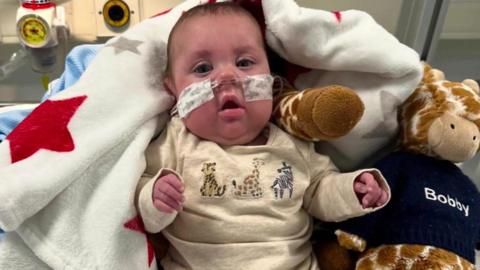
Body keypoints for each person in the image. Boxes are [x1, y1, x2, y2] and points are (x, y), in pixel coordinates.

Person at [135, 2, 390, 269]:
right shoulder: (175, 143)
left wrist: (353, 190)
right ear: (174, 89)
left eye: (244, 62)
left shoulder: (291, 144)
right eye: (202, 69)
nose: (227, 77)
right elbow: (140, 192)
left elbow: (319, 191)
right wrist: (154, 197)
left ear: (270, 77)